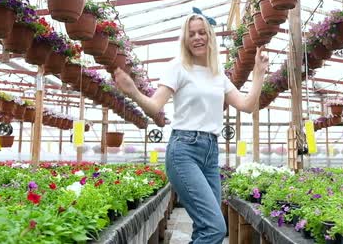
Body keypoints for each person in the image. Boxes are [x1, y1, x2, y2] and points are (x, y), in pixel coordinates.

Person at [113, 13, 268, 244]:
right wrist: (133, 92)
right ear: (185, 39)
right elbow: (155, 106)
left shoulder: (218, 74)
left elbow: (246, 105)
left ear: (210, 36)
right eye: (191, 33)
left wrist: (259, 74)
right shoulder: (178, 67)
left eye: (202, 32)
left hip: (210, 152)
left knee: (205, 227)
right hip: (184, 151)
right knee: (215, 228)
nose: (197, 38)